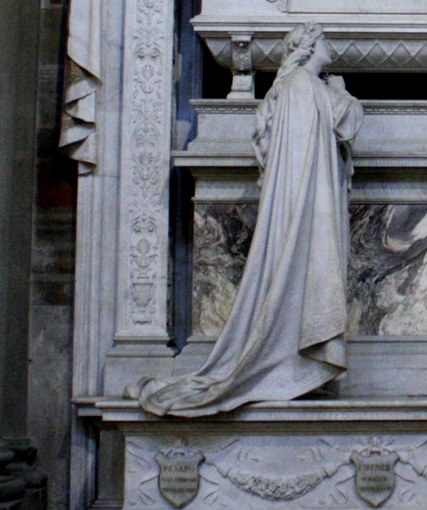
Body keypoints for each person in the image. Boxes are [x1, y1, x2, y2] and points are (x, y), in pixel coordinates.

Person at [135, 23, 363, 416]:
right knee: (304, 273)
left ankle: (293, 366)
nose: (330, 46)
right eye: (323, 40)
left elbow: (335, 123)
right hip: (307, 208)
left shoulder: (295, 88)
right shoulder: (304, 88)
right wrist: (341, 93)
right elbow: (347, 118)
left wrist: (338, 94)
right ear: (308, 48)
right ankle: (291, 364)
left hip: (302, 204)